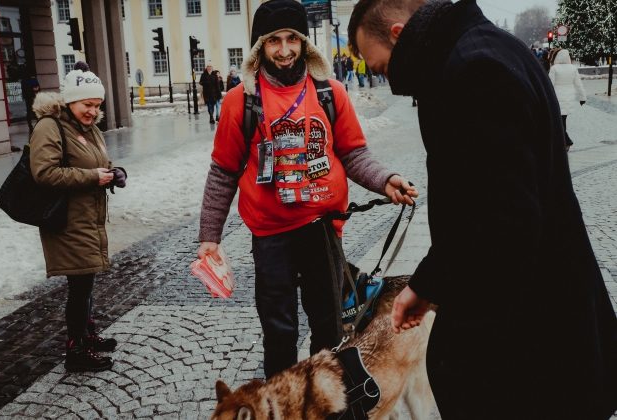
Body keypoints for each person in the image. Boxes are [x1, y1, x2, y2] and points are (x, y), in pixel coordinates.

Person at [348, 0, 617, 419]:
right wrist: (427, 285)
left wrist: (453, 322)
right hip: (539, 334)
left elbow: (503, 225)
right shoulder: (489, 49)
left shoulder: (475, 70)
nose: (389, 82)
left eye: (382, 69)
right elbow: (481, 205)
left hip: (530, 347)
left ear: (399, 34)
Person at [197, 0, 417, 379]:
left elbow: (353, 154)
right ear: (259, 48)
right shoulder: (241, 102)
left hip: (322, 230)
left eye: (292, 39)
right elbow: (223, 172)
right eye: (273, 42)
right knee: (279, 333)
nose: (284, 51)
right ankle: (281, 406)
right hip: (271, 237)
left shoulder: (330, 93)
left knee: (330, 329)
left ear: (304, 43)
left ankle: (326, 402)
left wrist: (385, 180)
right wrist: (209, 237)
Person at [29, 61, 127, 373]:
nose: (92, 111)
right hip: (67, 221)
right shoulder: (50, 126)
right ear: (70, 100)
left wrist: (114, 173)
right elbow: (43, 173)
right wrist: (91, 177)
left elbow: (99, 161)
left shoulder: (88, 127)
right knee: (80, 284)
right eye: (87, 104)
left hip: (88, 218)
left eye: (97, 105)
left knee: (85, 281)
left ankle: (86, 334)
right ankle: (76, 351)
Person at [549, 49, 587, 151]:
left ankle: (566, 141)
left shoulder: (554, 68)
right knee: (562, 120)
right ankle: (563, 142)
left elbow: (550, 85)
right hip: (569, 98)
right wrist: (582, 98)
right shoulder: (573, 68)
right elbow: (578, 84)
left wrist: (547, 97)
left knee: (559, 121)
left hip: (557, 98)